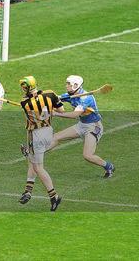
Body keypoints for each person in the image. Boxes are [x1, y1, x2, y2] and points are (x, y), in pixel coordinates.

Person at [49, 75, 115, 178]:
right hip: (82, 125)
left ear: (75, 86)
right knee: (55, 137)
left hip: (93, 127)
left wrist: (56, 114)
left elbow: (75, 115)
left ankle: (108, 166)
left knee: (88, 155)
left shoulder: (86, 98)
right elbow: (55, 99)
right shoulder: (70, 95)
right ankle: (35, 153)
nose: (66, 86)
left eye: (68, 84)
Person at [17, 76, 65, 211]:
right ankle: (27, 191)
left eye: (23, 87)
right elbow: (61, 110)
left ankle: (53, 196)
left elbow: (32, 112)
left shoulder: (24, 103)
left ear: (27, 88)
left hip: (35, 135)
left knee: (38, 167)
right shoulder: (51, 94)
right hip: (48, 131)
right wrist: (55, 103)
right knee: (33, 161)